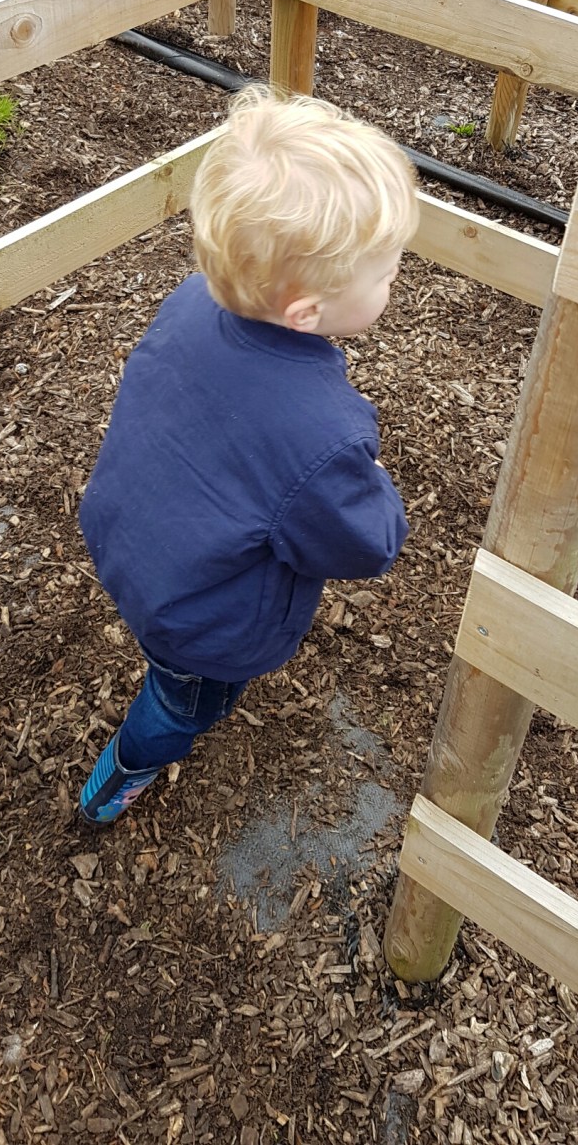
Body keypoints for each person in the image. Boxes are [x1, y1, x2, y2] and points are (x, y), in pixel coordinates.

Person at [76, 84, 419, 824]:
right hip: (203, 623)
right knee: (187, 702)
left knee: (173, 661)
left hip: (127, 539)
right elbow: (364, 543)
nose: (398, 275)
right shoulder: (323, 438)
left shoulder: (192, 301)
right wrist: (374, 485)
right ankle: (125, 770)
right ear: (307, 312)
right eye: (387, 270)